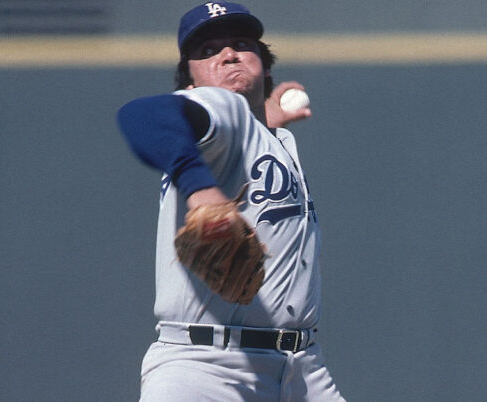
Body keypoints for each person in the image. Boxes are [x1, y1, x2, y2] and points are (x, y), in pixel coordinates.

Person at [117, 2, 344, 401]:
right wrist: (200, 187)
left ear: (266, 67)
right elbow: (143, 115)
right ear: (190, 85)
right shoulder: (219, 108)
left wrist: (264, 122)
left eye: (241, 43)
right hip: (206, 369)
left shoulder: (268, 136)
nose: (228, 54)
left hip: (301, 369)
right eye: (207, 51)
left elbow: (245, 132)